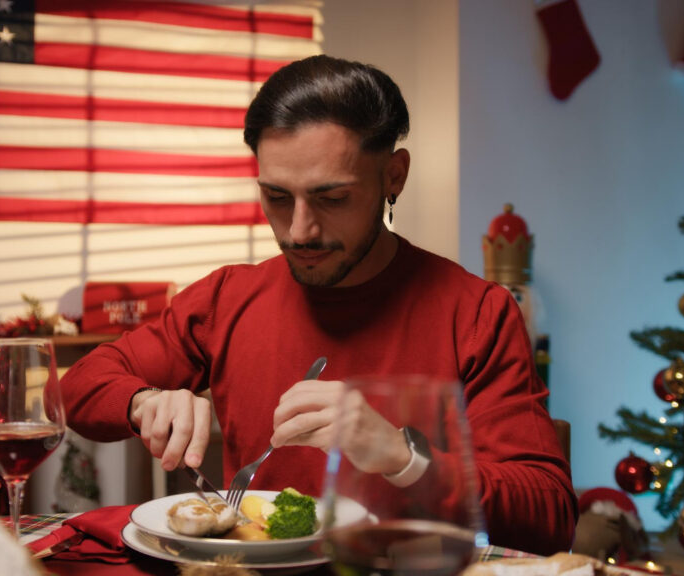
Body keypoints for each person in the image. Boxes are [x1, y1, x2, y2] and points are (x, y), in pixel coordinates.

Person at [60, 54, 577, 555]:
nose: (300, 230)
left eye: (332, 199)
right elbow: (79, 388)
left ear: (394, 175)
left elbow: (548, 515)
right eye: (277, 198)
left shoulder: (475, 312)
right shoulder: (226, 299)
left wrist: (401, 456)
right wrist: (144, 400)